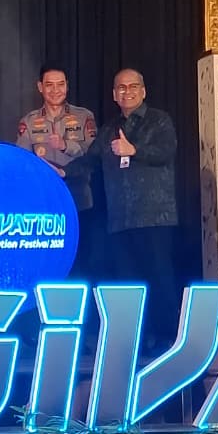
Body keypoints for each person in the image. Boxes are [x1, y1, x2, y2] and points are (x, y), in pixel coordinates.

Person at [63, 67, 178, 350]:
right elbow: (90, 161)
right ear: (114, 95)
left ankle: (169, 339)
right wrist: (62, 172)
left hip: (154, 216)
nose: (127, 92)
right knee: (129, 284)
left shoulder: (159, 120)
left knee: (159, 278)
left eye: (133, 86)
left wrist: (134, 150)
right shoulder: (109, 129)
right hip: (121, 219)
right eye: (121, 88)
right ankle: (138, 338)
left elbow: (166, 151)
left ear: (143, 91)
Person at [17, 64, 97, 275]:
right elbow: (23, 160)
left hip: (78, 195)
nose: (55, 90)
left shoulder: (84, 117)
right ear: (40, 87)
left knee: (81, 258)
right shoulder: (29, 121)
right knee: (49, 258)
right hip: (44, 198)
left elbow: (94, 154)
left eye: (60, 84)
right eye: (49, 85)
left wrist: (65, 145)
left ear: (67, 86)